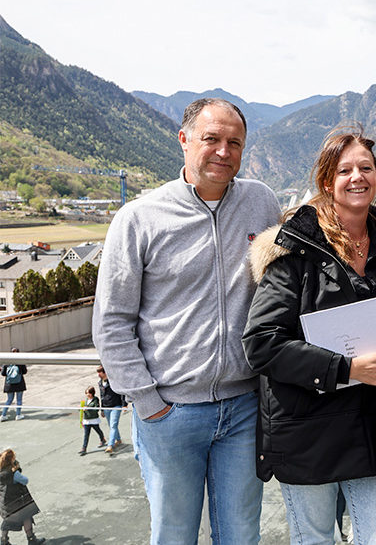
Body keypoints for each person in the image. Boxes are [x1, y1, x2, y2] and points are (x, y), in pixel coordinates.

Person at [93, 98, 281, 544]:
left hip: (244, 409)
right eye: (211, 139)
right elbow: (111, 322)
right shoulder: (138, 218)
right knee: (174, 535)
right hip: (170, 413)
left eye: (234, 142)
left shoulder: (261, 202)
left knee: (241, 535)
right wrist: (148, 402)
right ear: (184, 139)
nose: (223, 151)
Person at [242, 127, 376, 545]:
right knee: (315, 539)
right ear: (327, 182)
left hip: (372, 429)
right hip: (307, 431)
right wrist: (347, 368)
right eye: (345, 170)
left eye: (365, 168)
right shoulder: (294, 251)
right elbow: (261, 342)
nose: (357, 177)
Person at [0, 449, 44, 545]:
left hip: (5, 503)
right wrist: (17, 469)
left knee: (7, 521)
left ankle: (3, 540)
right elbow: (25, 481)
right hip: (18, 502)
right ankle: (31, 539)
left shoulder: (1, 472)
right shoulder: (13, 473)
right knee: (27, 516)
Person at [96, 366, 125, 454]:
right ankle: (118, 439)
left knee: (113, 425)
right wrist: (102, 409)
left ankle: (110, 445)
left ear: (105, 372)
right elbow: (101, 396)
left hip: (116, 406)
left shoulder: (113, 381)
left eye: (99, 372)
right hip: (106, 407)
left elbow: (121, 392)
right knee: (111, 425)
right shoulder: (100, 383)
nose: (98, 374)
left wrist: (124, 404)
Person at [78, 386, 107, 456]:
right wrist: (80, 408)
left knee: (98, 431)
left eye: (89, 393)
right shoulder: (85, 401)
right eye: (86, 393)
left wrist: (88, 408)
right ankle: (84, 448)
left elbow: (96, 409)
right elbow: (81, 410)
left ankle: (102, 439)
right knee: (86, 435)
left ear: (92, 393)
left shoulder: (95, 399)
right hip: (86, 420)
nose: (87, 395)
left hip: (93, 419)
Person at [1, 349, 26, 422]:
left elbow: (3, 373)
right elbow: (24, 371)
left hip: (9, 384)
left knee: (9, 400)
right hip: (19, 383)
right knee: (19, 400)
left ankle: (3, 415)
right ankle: (18, 415)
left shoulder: (7, 362)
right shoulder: (20, 362)